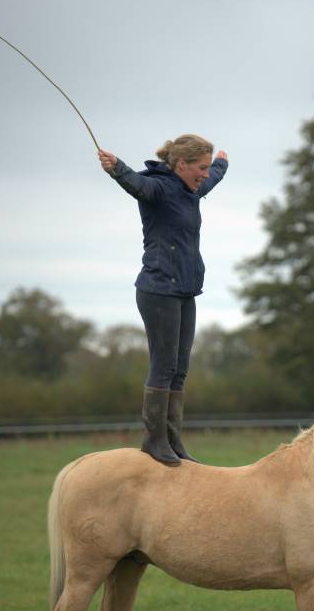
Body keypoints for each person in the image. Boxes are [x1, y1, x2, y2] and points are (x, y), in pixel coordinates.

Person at [98, 135, 229, 465]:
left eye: (206, 167)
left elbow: (211, 179)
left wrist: (222, 164)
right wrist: (117, 168)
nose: (204, 174)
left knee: (180, 369)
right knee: (164, 366)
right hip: (158, 290)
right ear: (181, 165)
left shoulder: (192, 188)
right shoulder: (158, 188)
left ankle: (172, 440)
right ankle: (154, 441)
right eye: (200, 167)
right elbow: (137, 186)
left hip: (185, 289)